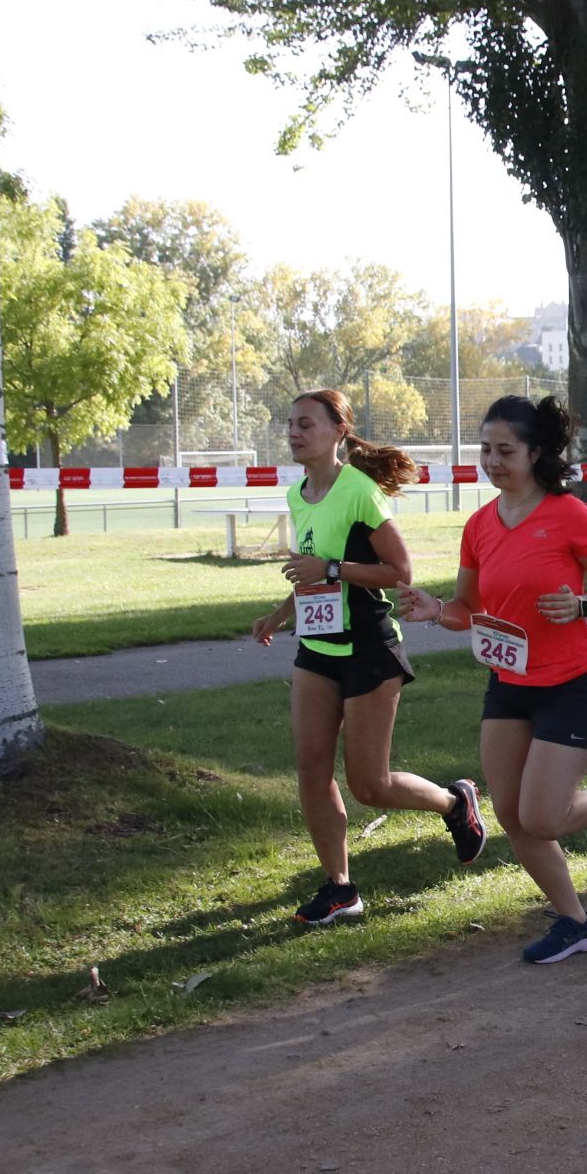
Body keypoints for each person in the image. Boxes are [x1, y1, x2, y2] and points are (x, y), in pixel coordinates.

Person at [394, 397, 587, 964]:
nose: (492, 461)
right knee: (514, 815)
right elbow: (467, 606)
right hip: (508, 683)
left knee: (543, 816)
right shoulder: (479, 526)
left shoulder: (569, 515)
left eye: (505, 450)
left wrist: (582, 604)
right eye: (485, 449)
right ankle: (576, 921)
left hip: (571, 682)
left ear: (535, 453)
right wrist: (433, 609)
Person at [252, 390, 486, 926]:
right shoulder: (299, 495)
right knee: (311, 768)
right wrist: (279, 614)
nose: (294, 432)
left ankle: (456, 803)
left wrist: (332, 570)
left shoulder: (358, 491)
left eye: (305, 423)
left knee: (369, 785)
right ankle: (340, 888)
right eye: (289, 424)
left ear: (338, 430)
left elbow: (399, 570)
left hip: (368, 647)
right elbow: (310, 570)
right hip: (317, 648)